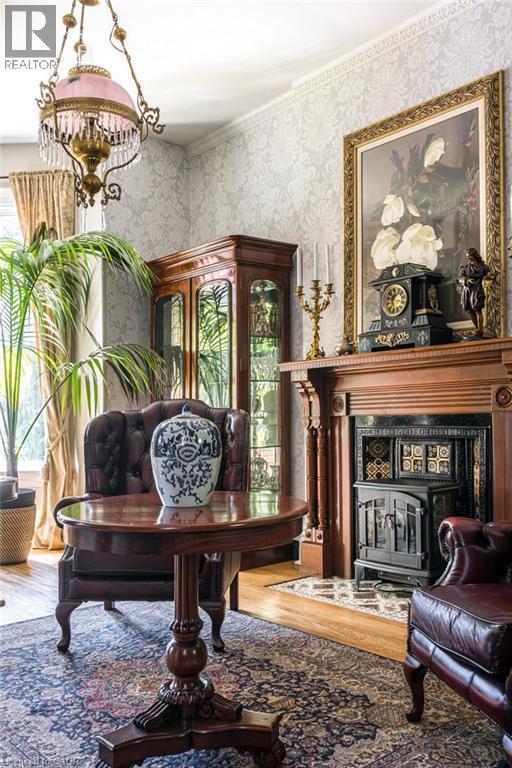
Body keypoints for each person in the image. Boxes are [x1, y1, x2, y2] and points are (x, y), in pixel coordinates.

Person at [458, 248, 494, 337]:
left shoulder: (483, 267)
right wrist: (467, 280)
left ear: (474, 255)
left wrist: (488, 278)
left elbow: (490, 275)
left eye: (470, 256)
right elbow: (460, 278)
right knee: (470, 311)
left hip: (477, 290)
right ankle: (477, 328)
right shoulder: (466, 268)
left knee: (477, 310)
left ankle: (480, 330)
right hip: (467, 291)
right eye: (467, 256)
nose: (468, 258)